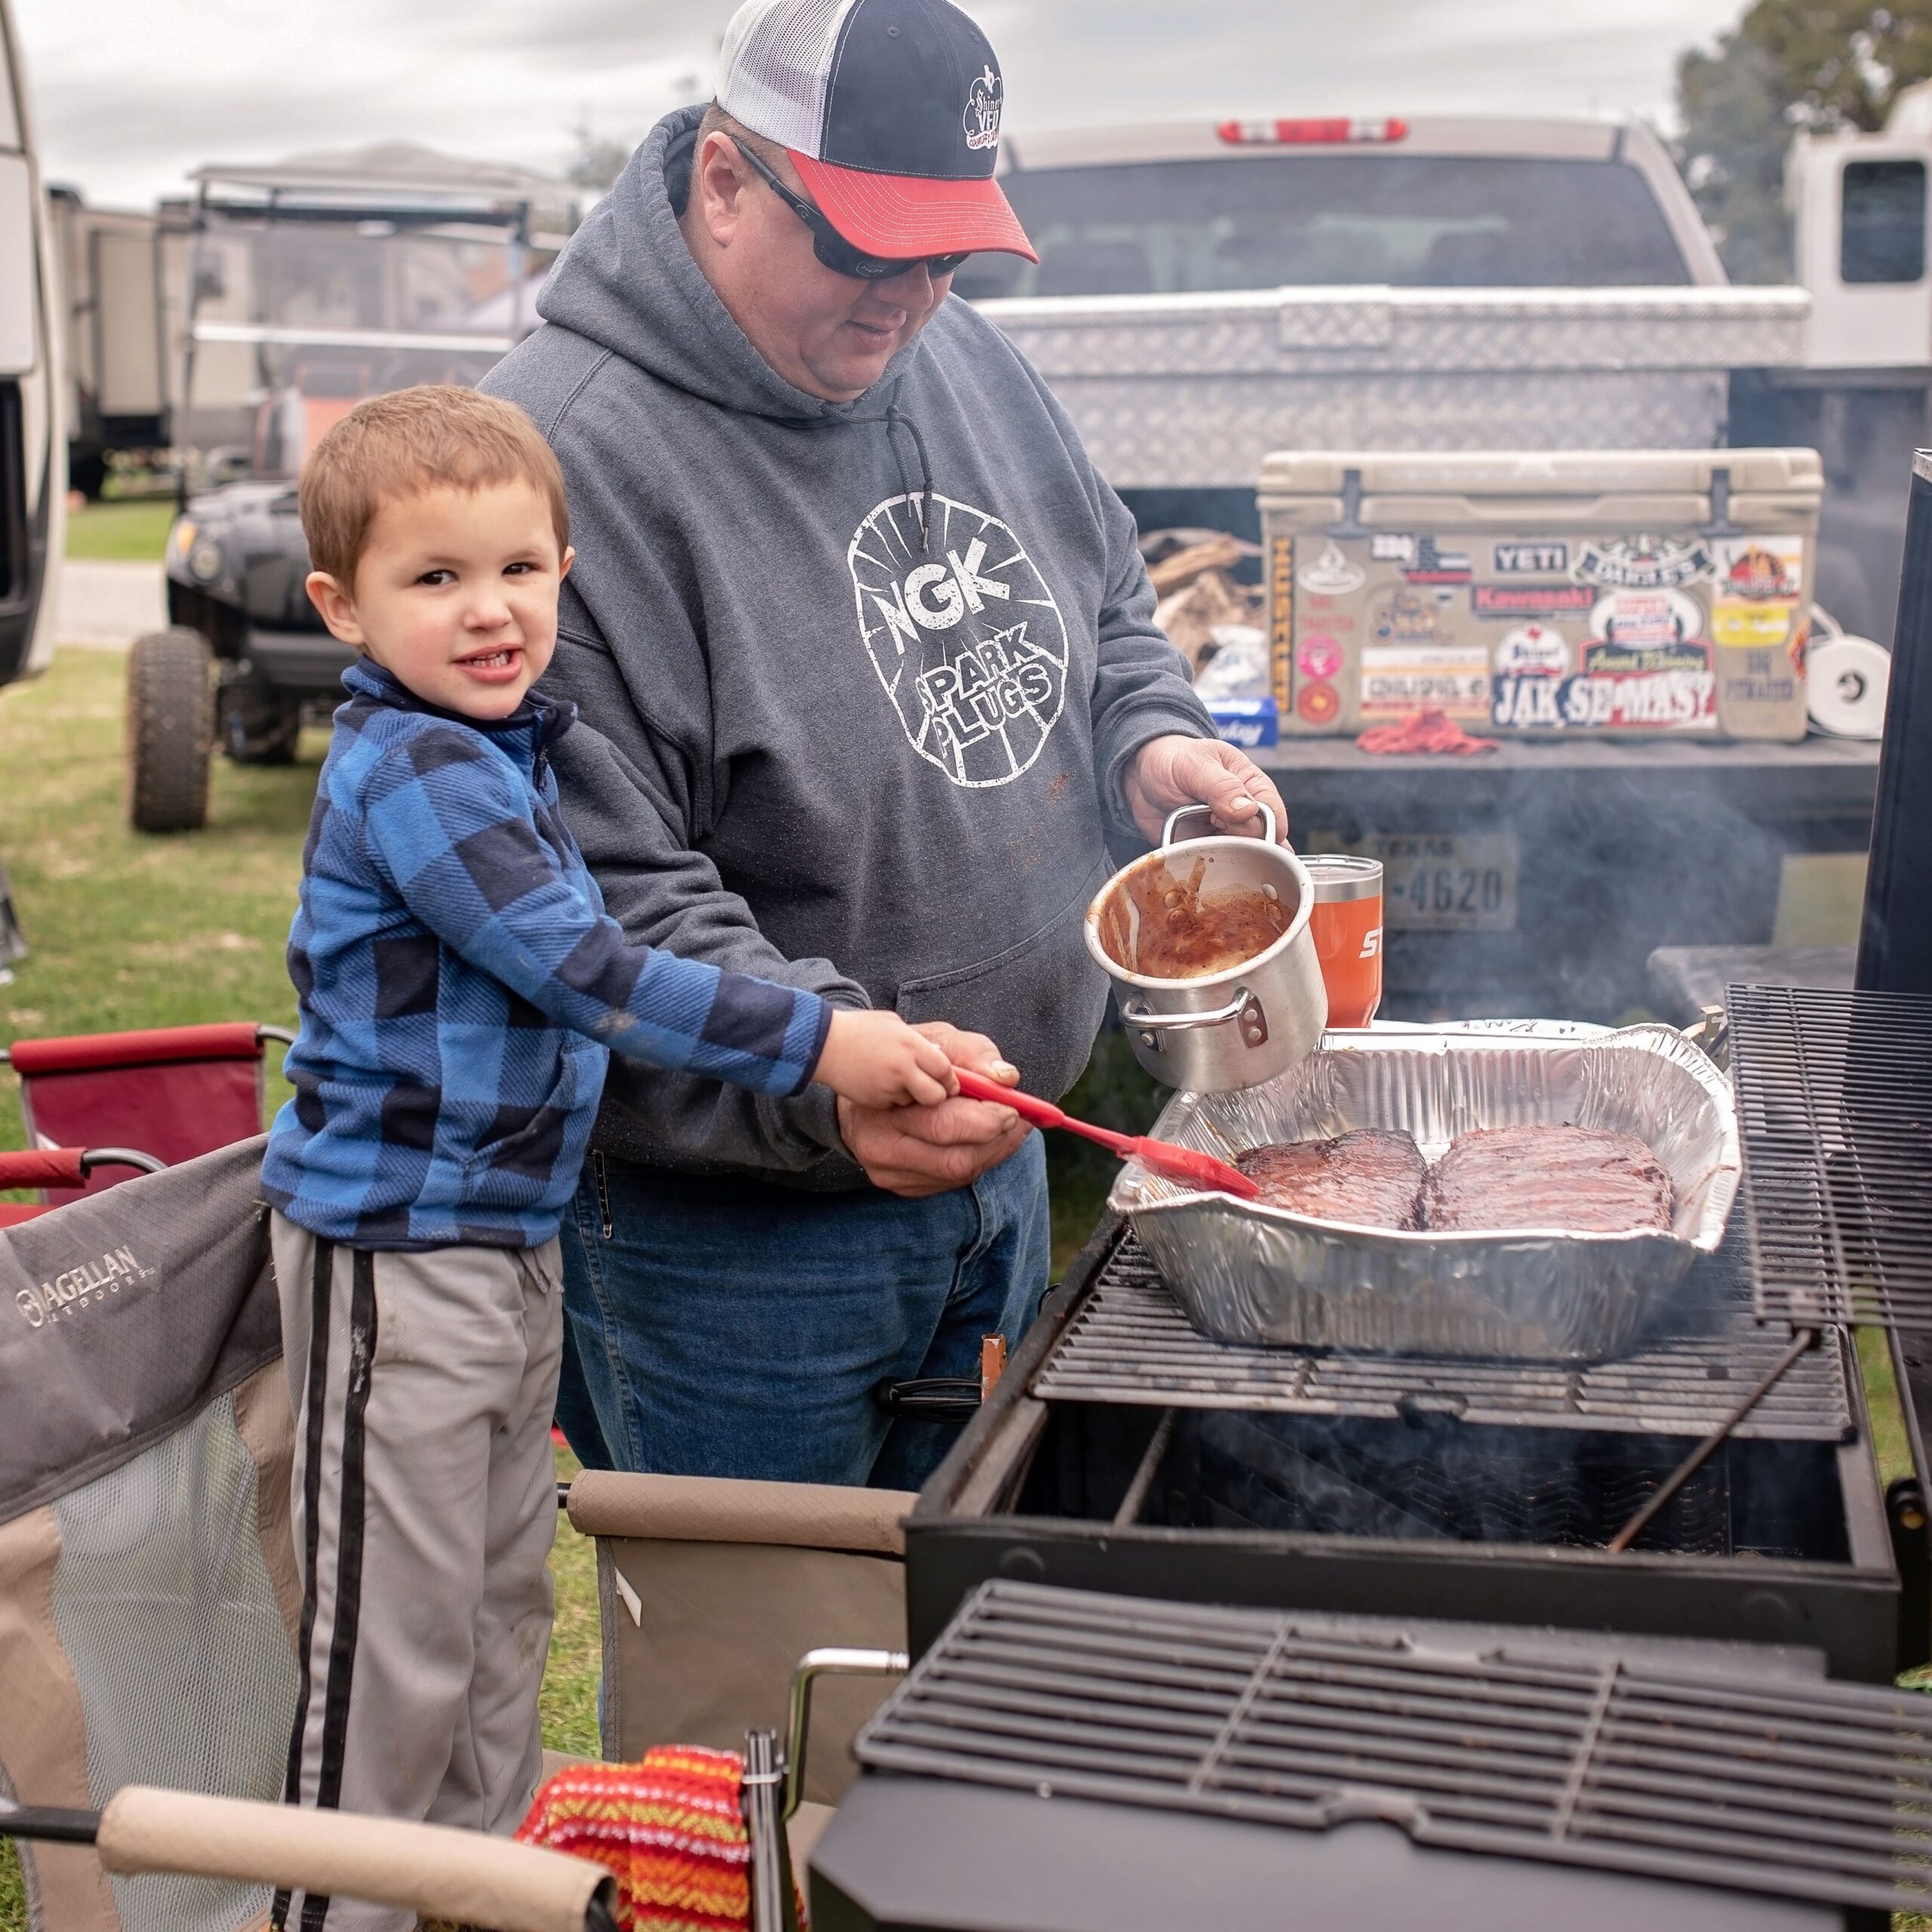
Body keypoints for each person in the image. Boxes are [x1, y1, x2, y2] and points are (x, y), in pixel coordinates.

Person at [483, 0, 1290, 1491]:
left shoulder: (954, 349)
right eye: (862, 246)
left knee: (950, 1651)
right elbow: (591, 893)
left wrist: (1146, 734)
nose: (907, 299)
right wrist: (827, 1086)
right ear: (724, 180)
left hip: (991, 1166)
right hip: (727, 1246)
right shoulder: (547, 466)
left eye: (944, 252)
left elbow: (1103, 590)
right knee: (762, 1689)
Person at [258, 383, 962, 1926]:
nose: (489, 609)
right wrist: (823, 1041)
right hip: (398, 1261)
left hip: (504, 1244)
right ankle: (347, 1903)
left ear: (565, 568)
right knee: (391, 1650)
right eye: (432, 578)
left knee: (501, 1606)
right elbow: (589, 969)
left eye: (517, 567)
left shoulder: (508, 748)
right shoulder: (420, 769)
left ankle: (479, 1894)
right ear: (341, 606)